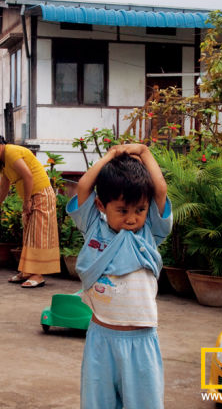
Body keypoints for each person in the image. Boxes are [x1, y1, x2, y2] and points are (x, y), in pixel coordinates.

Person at [66, 144, 172, 409]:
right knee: (97, 403)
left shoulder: (150, 232)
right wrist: (110, 156)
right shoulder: (93, 227)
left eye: (139, 210)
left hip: (142, 341)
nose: (132, 218)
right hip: (101, 338)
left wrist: (144, 152)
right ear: (102, 205)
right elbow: (83, 188)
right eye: (122, 210)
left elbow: (160, 191)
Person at [0, 134, 60, 287]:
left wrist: (27, 200)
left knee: (38, 235)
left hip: (41, 194)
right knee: (29, 234)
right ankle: (27, 272)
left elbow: (28, 176)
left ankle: (37, 275)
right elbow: (4, 188)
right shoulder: (3, 162)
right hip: (30, 197)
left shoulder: (12, 152)